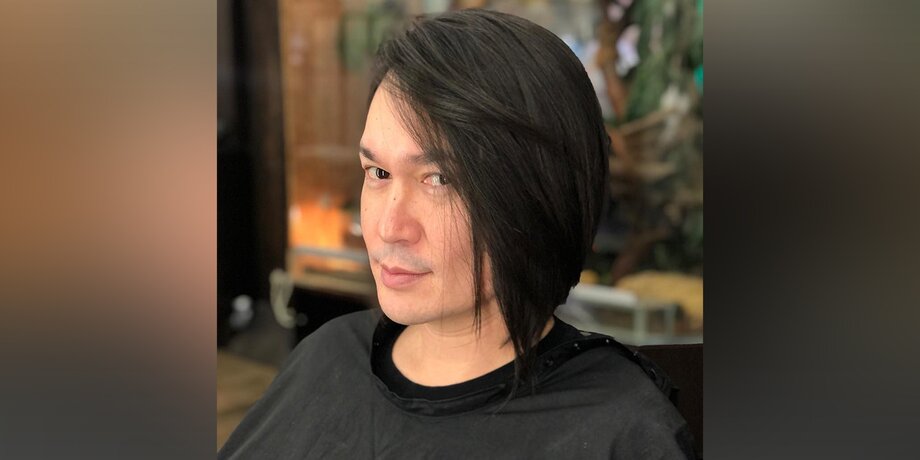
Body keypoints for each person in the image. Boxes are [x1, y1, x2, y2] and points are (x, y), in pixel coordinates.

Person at [219, 9, 695, 459]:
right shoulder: (329, 356)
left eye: (440, 179)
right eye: (378, 172)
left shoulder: (619, 429)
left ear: (540, 196)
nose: (388, 227)